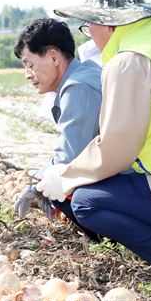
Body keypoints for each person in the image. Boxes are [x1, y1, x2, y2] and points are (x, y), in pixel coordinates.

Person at [37, 0, 151, 272]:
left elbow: (116, 149)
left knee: (88, 202)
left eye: (88, 26)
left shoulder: (129, 61)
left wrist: (65, 176)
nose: (90, 35)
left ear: (107, 24)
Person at [12, 18, 102, 238]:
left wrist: (36, 185)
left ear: (53, 56)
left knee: (66, 192)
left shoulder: (77, 87)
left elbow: (68, 158)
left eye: (29, 64)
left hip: (129, 177)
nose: (27, 74)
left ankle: (114, 240)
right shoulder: (87, 71)